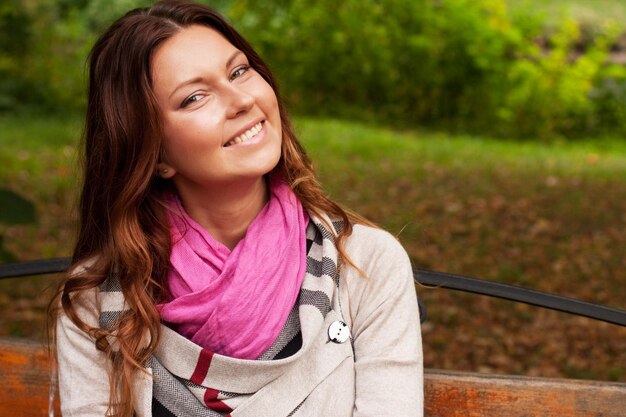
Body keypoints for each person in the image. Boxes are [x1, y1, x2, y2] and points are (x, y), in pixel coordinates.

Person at [50, 1, 423, 416]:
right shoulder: (97, 302)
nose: (240, 99)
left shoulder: (365, 266)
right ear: (153, 154)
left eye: (239, 71)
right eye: (194, 97)